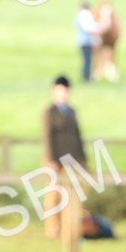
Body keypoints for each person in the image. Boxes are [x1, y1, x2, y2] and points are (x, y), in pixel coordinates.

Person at [41, 76, 87, 239]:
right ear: (54, 91)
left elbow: (77, 136)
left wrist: (82, 159)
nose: (64, 93)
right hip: (55, 159)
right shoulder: (49, 112)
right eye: (60, 89)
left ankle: (69, 226)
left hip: (71, 159)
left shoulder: (71, 111)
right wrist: (52, 160)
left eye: (66, 90)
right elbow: (48, 137)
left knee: (72, 194)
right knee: (54, 194)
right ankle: (52, 228)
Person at [73, 3, 99, 82]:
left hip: (81, 41)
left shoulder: (78, 16)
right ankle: (87, 77)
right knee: (88, 60)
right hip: (87, 42)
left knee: (86, 60)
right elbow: (89, 28)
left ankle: (85, 75)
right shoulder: (84, 15)